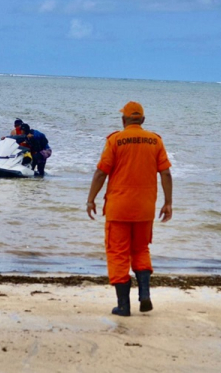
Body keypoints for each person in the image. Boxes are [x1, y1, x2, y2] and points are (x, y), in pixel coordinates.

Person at [86, 101, 173, 317]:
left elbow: (101, 173)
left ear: (123, 120)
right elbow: (166, 174)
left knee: (118, 253)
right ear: (142, 120)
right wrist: (168, 202)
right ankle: (144, 294)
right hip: (145, 208)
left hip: (119, 207)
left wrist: (90, 199)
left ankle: (123, 306)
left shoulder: (115, 140)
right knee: (141, 249)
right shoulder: (155, 141)